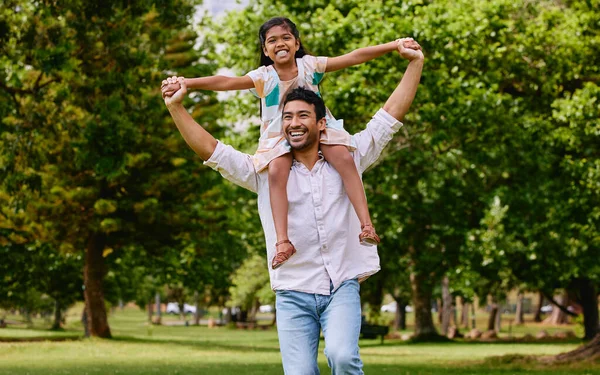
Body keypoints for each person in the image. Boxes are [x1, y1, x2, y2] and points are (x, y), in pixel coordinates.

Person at [162, 36, 424, 374]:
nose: (295, 123)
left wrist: (414, 63)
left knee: (343, 358)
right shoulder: (266, 172)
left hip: (341, 285)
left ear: (320, 123)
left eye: (303, 115)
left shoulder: (349, 158)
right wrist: (176, 108)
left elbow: (389, 117)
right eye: (287, 117)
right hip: (293, 291)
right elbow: (212, 151)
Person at [162, 17, 405, 269]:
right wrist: (187, 83)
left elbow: (353, 57)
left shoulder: (310, 66)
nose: (280, 43)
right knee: (276, 172)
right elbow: (225, 82)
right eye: (272, 40)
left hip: (318, 127)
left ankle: (366, 225)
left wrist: (393, 45)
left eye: (286, 37)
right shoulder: (264, 77)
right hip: (278, 135)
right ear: (265, 50)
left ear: (297, 43)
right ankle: (282, 242)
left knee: (344, 159)